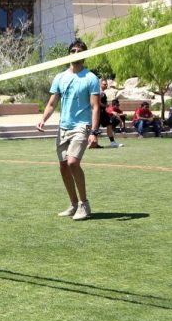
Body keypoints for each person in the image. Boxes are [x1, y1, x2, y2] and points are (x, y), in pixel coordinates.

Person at [36, 39, 100, 221]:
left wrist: (94, 132)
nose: (75, 53)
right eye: (72, 51)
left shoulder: (91, 78)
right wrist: (43, 119)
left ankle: (84, 204)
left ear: (84, 55)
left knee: (73, 162)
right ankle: (73, 204)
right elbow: (51, 103)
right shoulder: (60, 77)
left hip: (82, 126)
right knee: (63, 166)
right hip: (63, 126)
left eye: (78, 51)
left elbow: (96, 107)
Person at [96, 79, 122, 148]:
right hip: (98, 112)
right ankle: (94, 143)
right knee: (96, 128)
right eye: (104, 84)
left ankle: (113, 142)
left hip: (103, 112)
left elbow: (104, 103)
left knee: (109, 125)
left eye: (106, 84)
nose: (106, 85)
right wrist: (104, 106)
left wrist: (108, 107)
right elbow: (97, 102)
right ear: (100, 84)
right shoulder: (99, 92)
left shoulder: (103, 92)